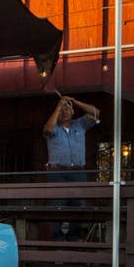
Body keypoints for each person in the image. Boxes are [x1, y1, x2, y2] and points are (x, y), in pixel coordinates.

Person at [42, 94, 99, 242]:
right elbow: (47, 129)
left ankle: (74, 236)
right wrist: (58, 106)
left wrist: (75, 102)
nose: (65, 111)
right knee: (57, 204)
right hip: (57, 172)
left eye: (68, 108)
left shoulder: (80, 124)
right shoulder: (54, 127)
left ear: (73, 112)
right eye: (63, 109)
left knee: (78, 205)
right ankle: (57, 237)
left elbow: (95, 113)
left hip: (78, 171)